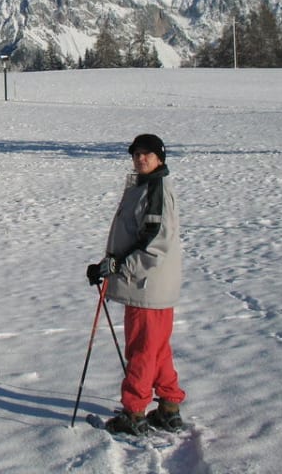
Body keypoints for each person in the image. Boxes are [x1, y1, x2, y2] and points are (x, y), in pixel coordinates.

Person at [86, 133, 185, 435]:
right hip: (150, 285)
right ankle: (169, 407)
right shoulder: (145, 186)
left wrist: (119, 266)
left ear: (160, 158)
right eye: (136, 154)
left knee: (142, 349)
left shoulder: (155, 188)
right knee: (156, 350)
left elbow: (154, 242)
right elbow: (135, 235)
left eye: (148, 154)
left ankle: (134, 411)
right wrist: (107, 265)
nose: (141, 159)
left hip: (147, 285)